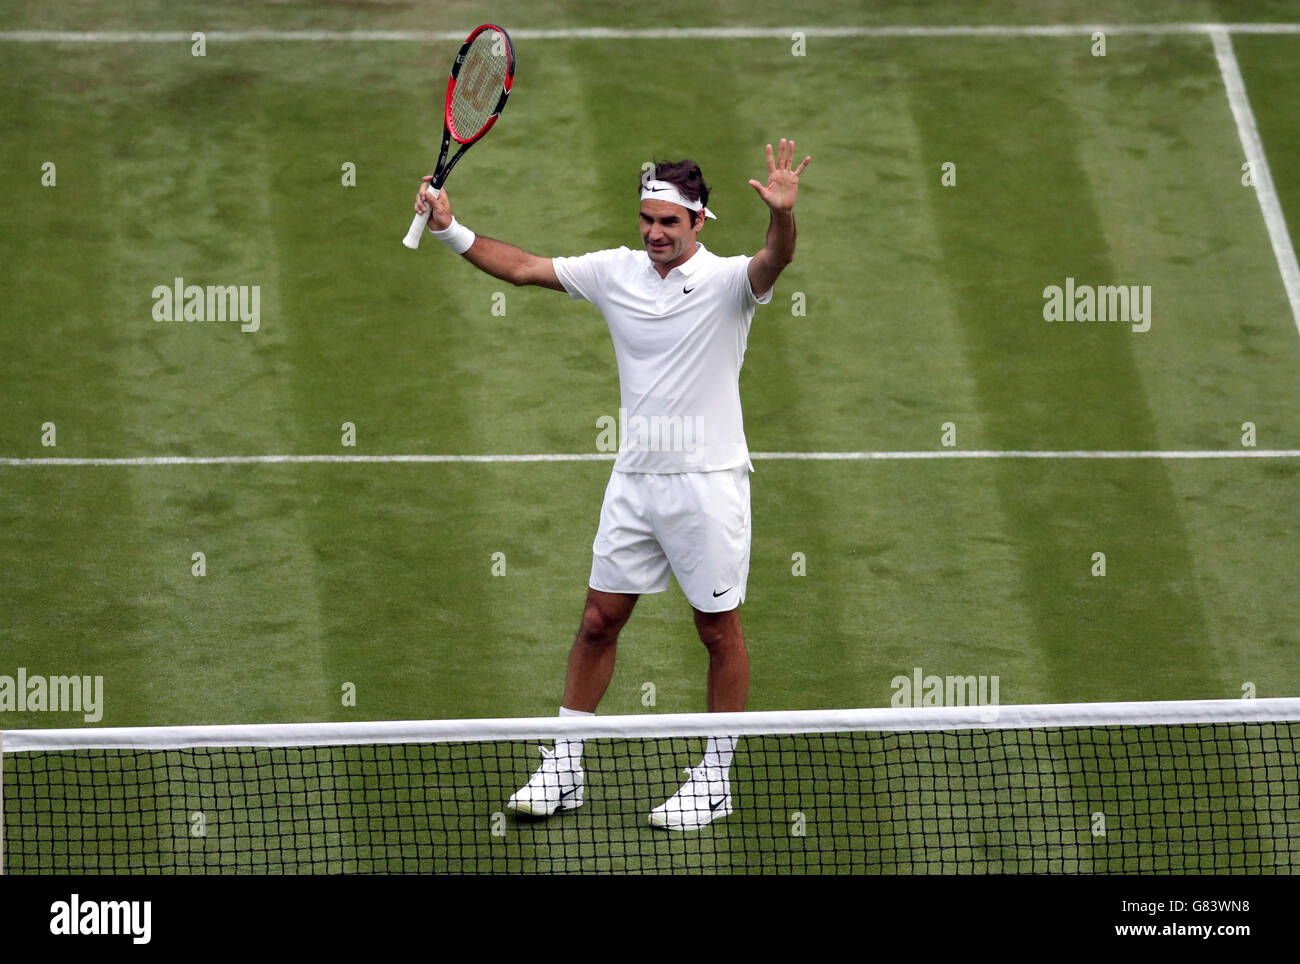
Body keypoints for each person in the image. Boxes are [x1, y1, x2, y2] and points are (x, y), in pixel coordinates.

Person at [414, 140, 810, 830]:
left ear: (700, 223)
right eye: (646, 219)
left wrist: (781, 217)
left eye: (669, 223)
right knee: (599, 621)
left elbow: (775, 259)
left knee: (717, 630)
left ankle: (714, 778)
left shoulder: (727, 283)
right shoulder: (613, 272)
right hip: (634, 482)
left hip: (707, 485)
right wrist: (450, 228)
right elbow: (524, 269)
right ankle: (566, 766)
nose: (655, 233)